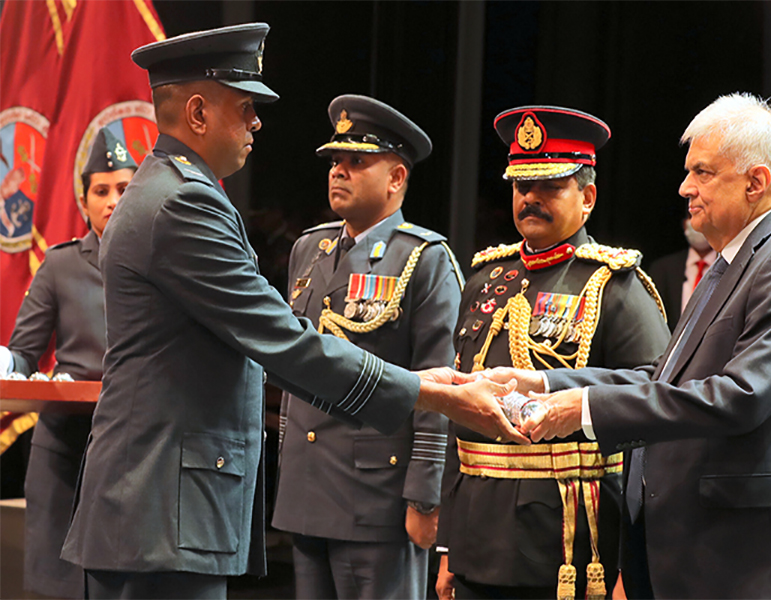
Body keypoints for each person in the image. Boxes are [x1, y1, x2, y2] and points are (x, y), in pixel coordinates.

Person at [58, 23, 525, 600]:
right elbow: (285, 343)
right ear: (199, 112)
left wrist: (417, 385)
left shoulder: (169, 190)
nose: (256, 123)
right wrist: (432, 394)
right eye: (246, 106)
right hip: (160, 511)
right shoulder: (185, 203)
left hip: (156, 505)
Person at [480, 93, 771, 599]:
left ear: (755, 182)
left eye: (702, 172)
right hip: (699, 554)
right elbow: (661, 377)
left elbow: (740, 396)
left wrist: (582, 410)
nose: (684, 187)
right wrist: (543, 382)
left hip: (749, 560)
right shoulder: (731, 262)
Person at [435, 106, 670, 600]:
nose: (530, 198)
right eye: (522, 186)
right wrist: (447, 545)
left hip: (571, 548)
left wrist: (635, 560)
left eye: (550, 187)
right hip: (479, 536)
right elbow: (458, 417)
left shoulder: (616, 285)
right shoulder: (483, 279)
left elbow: (654, 408)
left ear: (587, 197)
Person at [271, 94, 464, 599]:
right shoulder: (309, 248)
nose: (339, 172)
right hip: (307, 488)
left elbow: (438, 385)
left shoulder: (424, 259)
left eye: (357, 161)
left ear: (396, 177)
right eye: (336, 161)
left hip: (376, 495)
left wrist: (425, 497)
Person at [0, 126, 136, 599]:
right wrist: (6, 361)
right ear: (84, 201)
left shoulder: (161, 261)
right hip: (65, 453)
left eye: (123, 188)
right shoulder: (60, 266)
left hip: (133, 451)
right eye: (101, 190)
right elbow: (23, 352)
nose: (112, 200)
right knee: (60, 590)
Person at [647, 216, 716, 331]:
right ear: (685, 224)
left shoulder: (732, 267)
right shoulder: (662, 269)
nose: (699, 222)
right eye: (693, 214)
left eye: (704, 213)